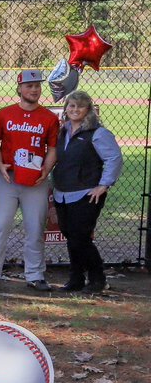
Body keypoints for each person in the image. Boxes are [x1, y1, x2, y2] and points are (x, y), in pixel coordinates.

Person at [0, 69, 60, 292]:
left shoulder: (49, 117)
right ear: (20, 88)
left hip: (35, 181)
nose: (34, 90)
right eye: (29, 86)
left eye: (37, 86)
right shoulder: (5, 114)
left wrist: (47, 169)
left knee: (35, 228)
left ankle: (35, 274)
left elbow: (52, 148)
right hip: (9, 178)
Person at [52, 90, 123, 293]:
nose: (75, 110)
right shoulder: (63, 130)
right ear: (66, 109)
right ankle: (76, 279)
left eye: (80, 106)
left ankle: (97, 279)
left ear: (88, 110)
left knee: (80, 237)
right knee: (71, 236)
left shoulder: (98, 133)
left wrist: (103, 185)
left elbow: (114, 159)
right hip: (63, 193)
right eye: (71, 106)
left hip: (87, 193)